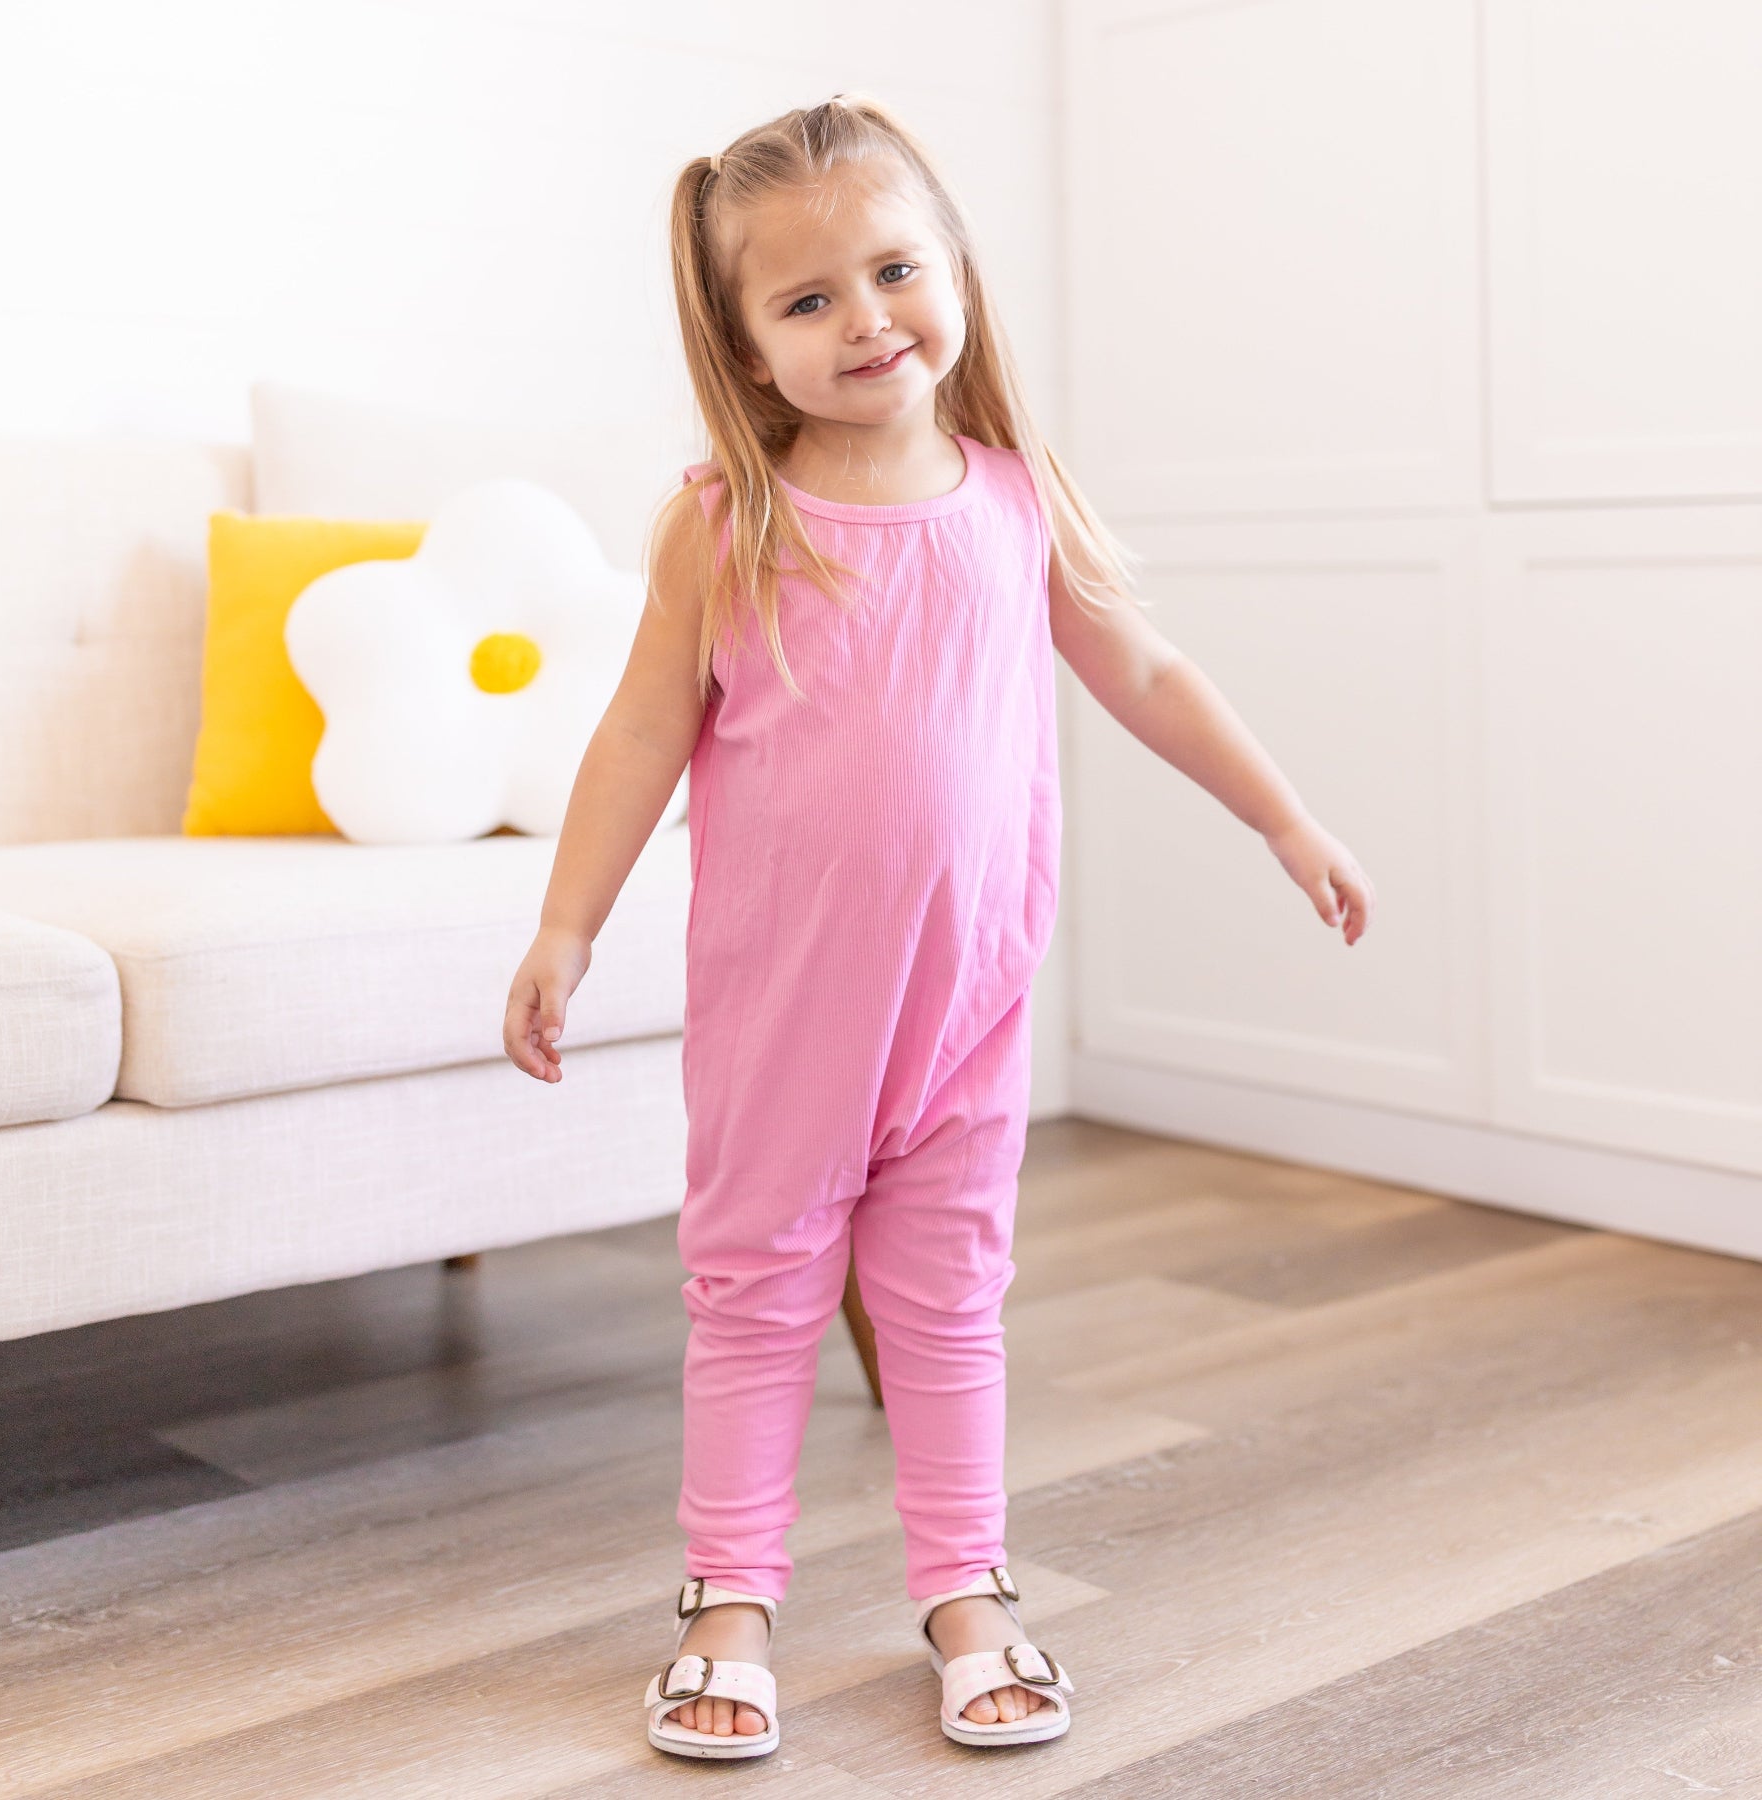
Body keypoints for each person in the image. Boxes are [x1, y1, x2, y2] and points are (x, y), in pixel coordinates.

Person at [502, 92, 1375, 1762]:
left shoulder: (1011, 496)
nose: (866, 320)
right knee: (757, 1295)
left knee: (950, 1299)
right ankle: (729, 1599)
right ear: (750, 348)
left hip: (966, 1009)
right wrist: (567, 924)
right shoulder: (728, 522)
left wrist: (1284, 815)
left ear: (956, 269)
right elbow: (635, 734)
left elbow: (1146, 670)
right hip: (786, 1013)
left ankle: (969, 1588)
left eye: (894, 269)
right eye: (808, 300)